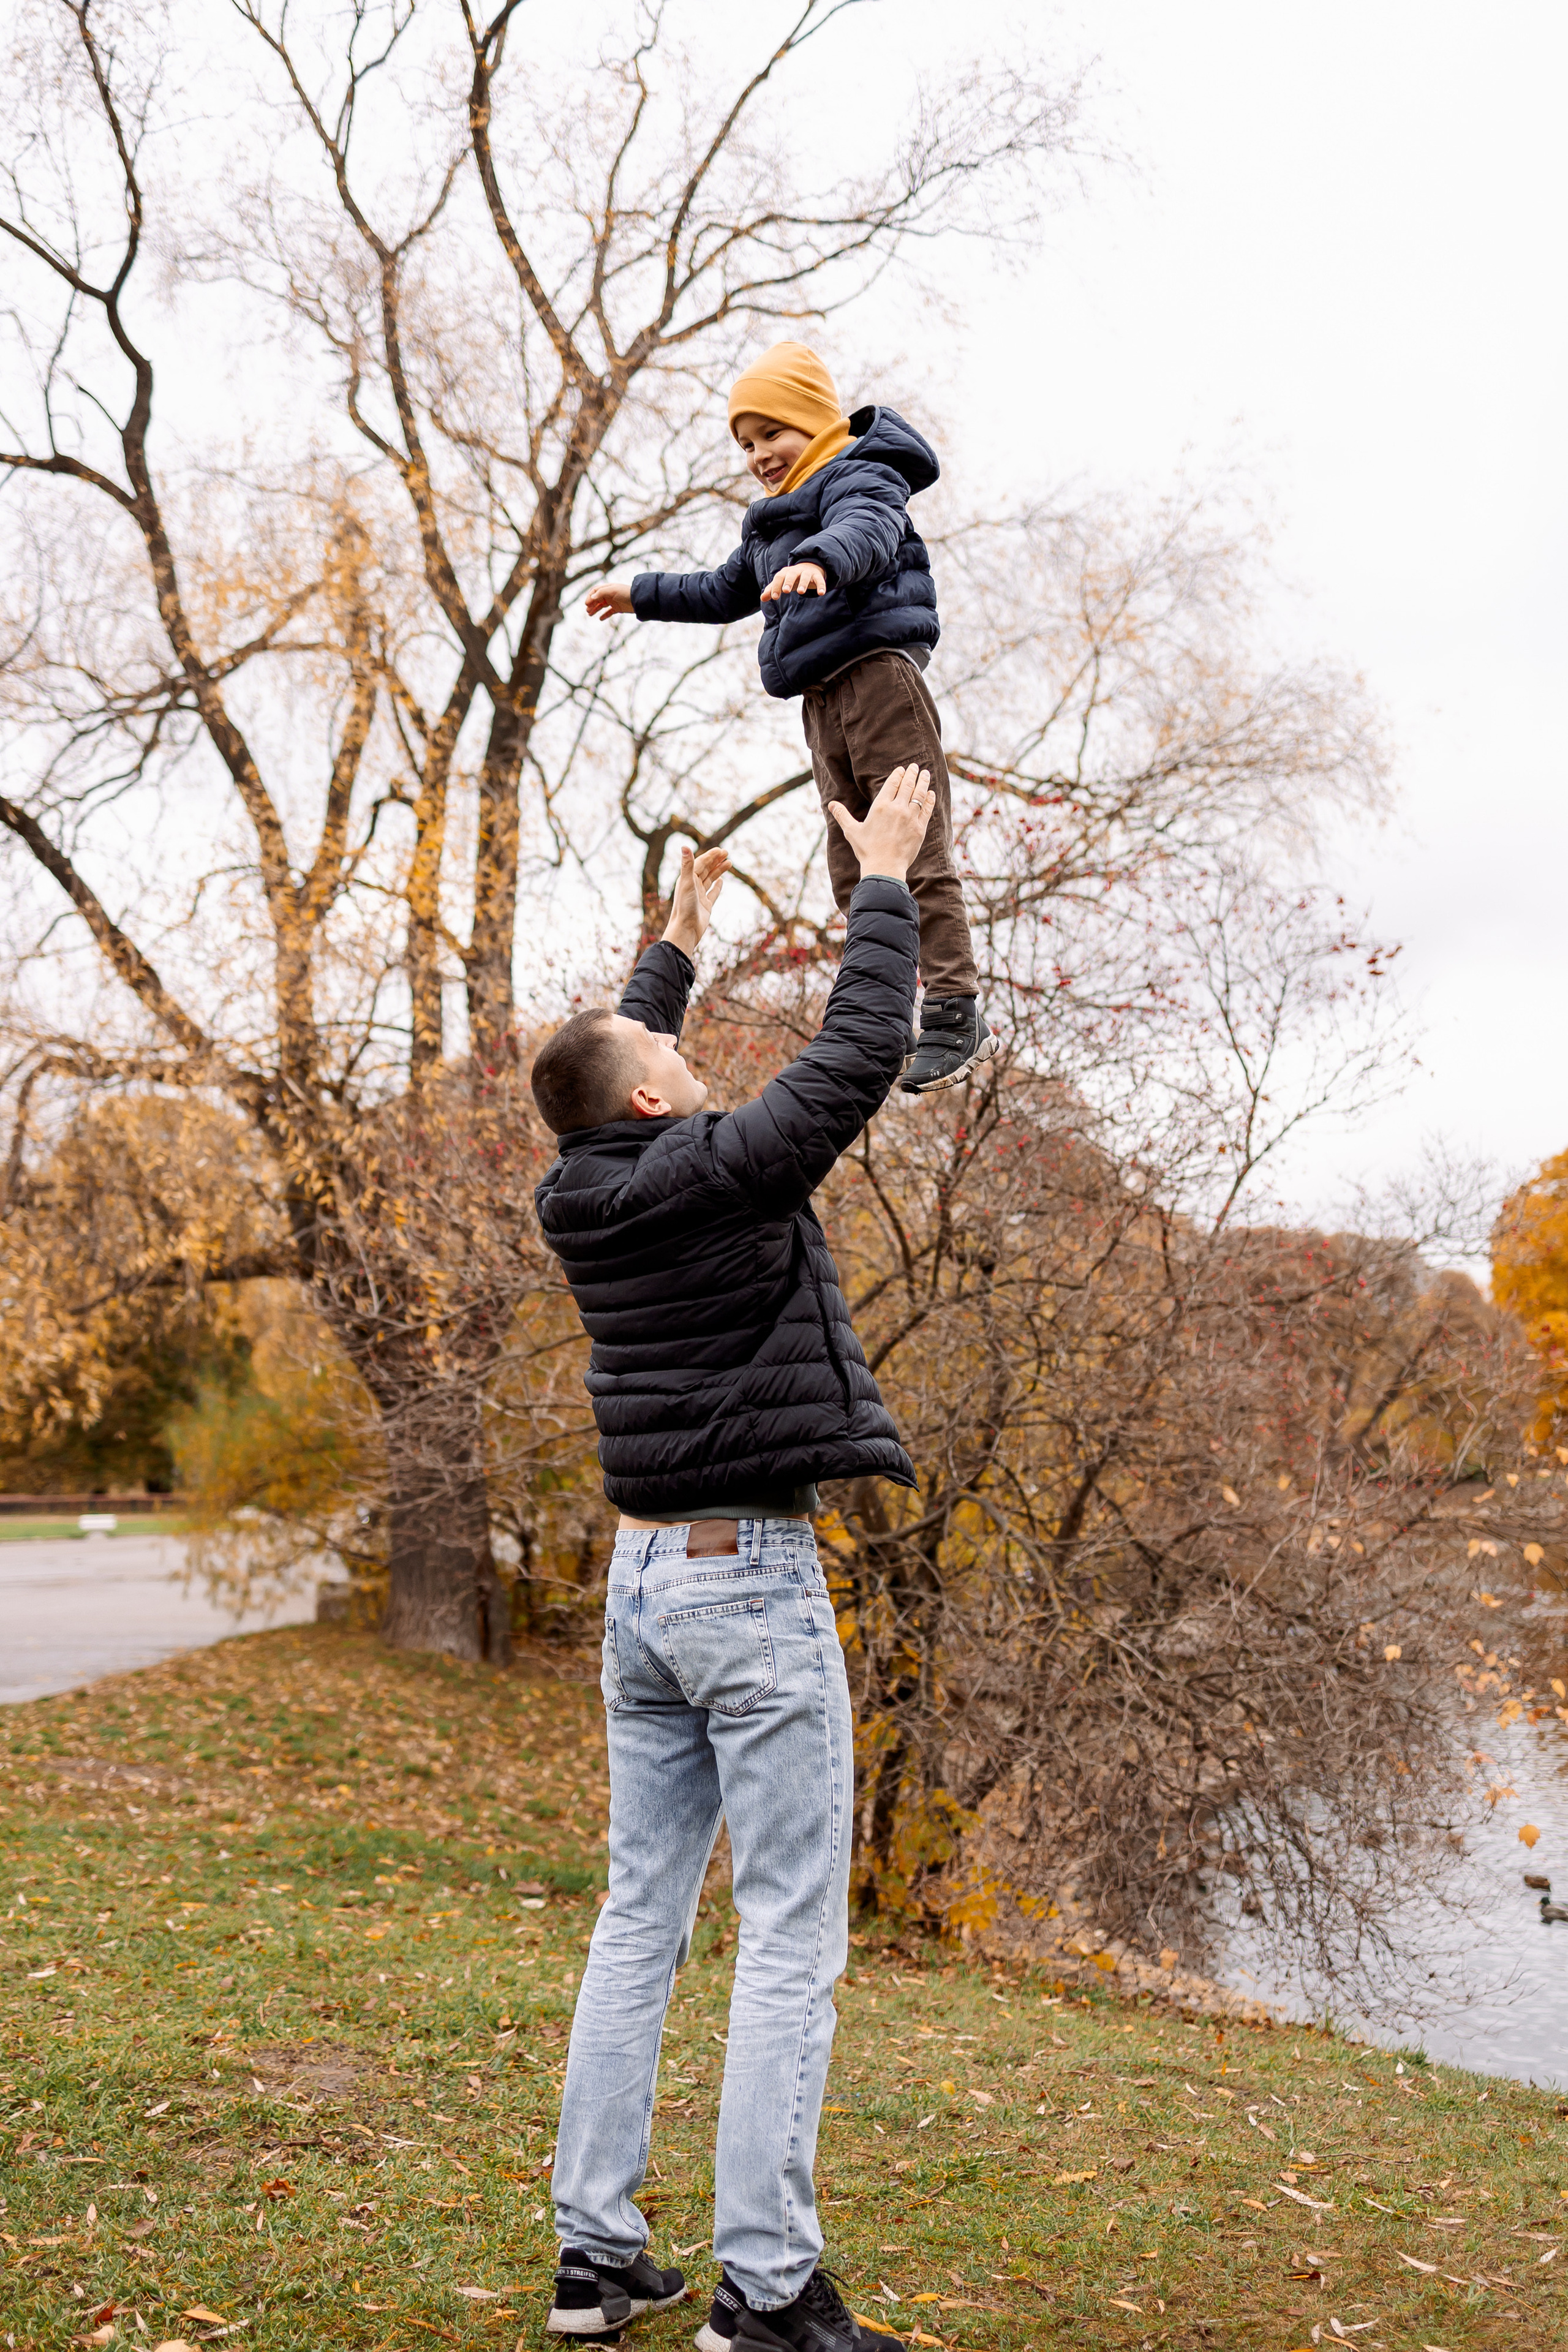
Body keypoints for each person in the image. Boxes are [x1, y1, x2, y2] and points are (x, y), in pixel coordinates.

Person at [529, 766, 937, 2352]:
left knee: (642, 1916)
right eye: (678, 1058)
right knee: (787, 1933)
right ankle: (764, 2294)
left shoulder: (581, 1182)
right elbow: (849, 1064)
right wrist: (885, 879)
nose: (695, 1069)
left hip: (643, 1592)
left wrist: (676, 943)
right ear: (652, 1103)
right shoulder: (705, 1168)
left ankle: (594, 2258)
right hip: (749, 1585)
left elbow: (601, 1059)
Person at [584, 339, 994, 1098]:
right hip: (822, 702)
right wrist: (640, 593)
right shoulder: (768, 524)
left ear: (816, 423)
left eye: (772, 434)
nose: (758, 455)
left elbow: (867, 532)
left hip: (878, 678)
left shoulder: (861, 475)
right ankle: (883, 1012)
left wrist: (824, 562)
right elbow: (717, 592)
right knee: (854, 864)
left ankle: (953, 1008)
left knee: (909, 840)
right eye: (744, 444)